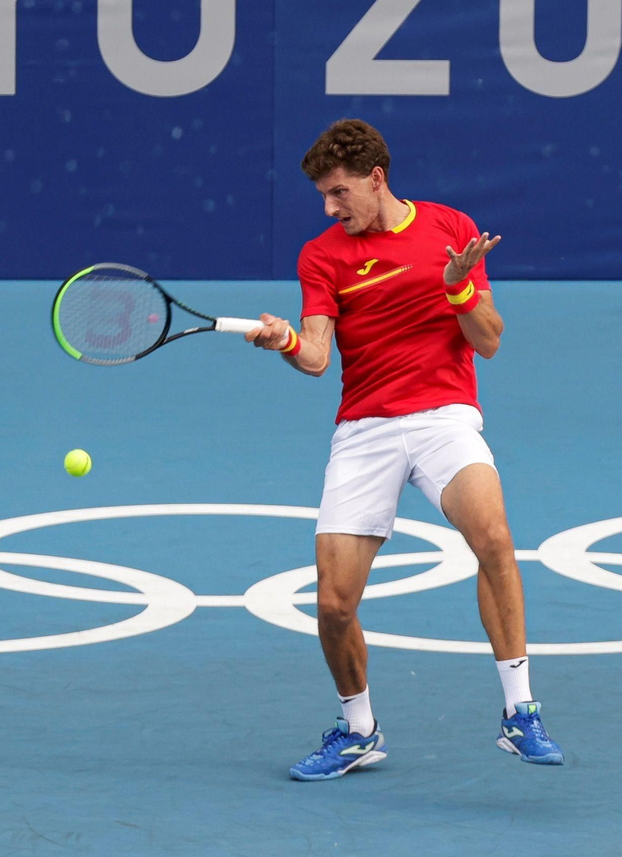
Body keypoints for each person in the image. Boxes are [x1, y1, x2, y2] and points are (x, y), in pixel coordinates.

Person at [246, 119, 564, 781]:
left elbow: (489, 340)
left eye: (338, 194)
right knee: (334, 603)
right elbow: (315, 355)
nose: (331, 209)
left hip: (444, 416)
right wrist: (281, 341)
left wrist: (457, 286)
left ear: (376, 179)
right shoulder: (322, 256)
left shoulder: (452, 228)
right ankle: (357, 728)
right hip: (365, 428)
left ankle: (520, 712)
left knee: (495, 540)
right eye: (324, 198)